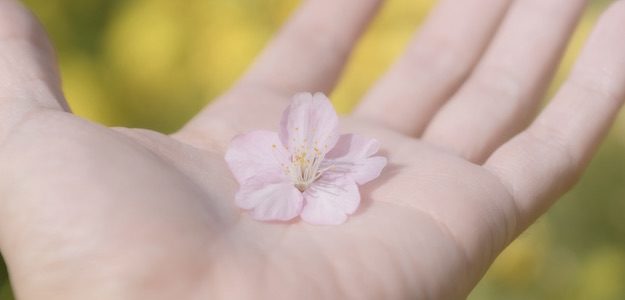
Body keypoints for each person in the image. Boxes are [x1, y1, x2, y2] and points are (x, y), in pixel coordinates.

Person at [0, 0, 623, 298]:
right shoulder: (280, 176)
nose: (303, 160)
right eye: (300, 159)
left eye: (306, 159)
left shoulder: (321, 171)